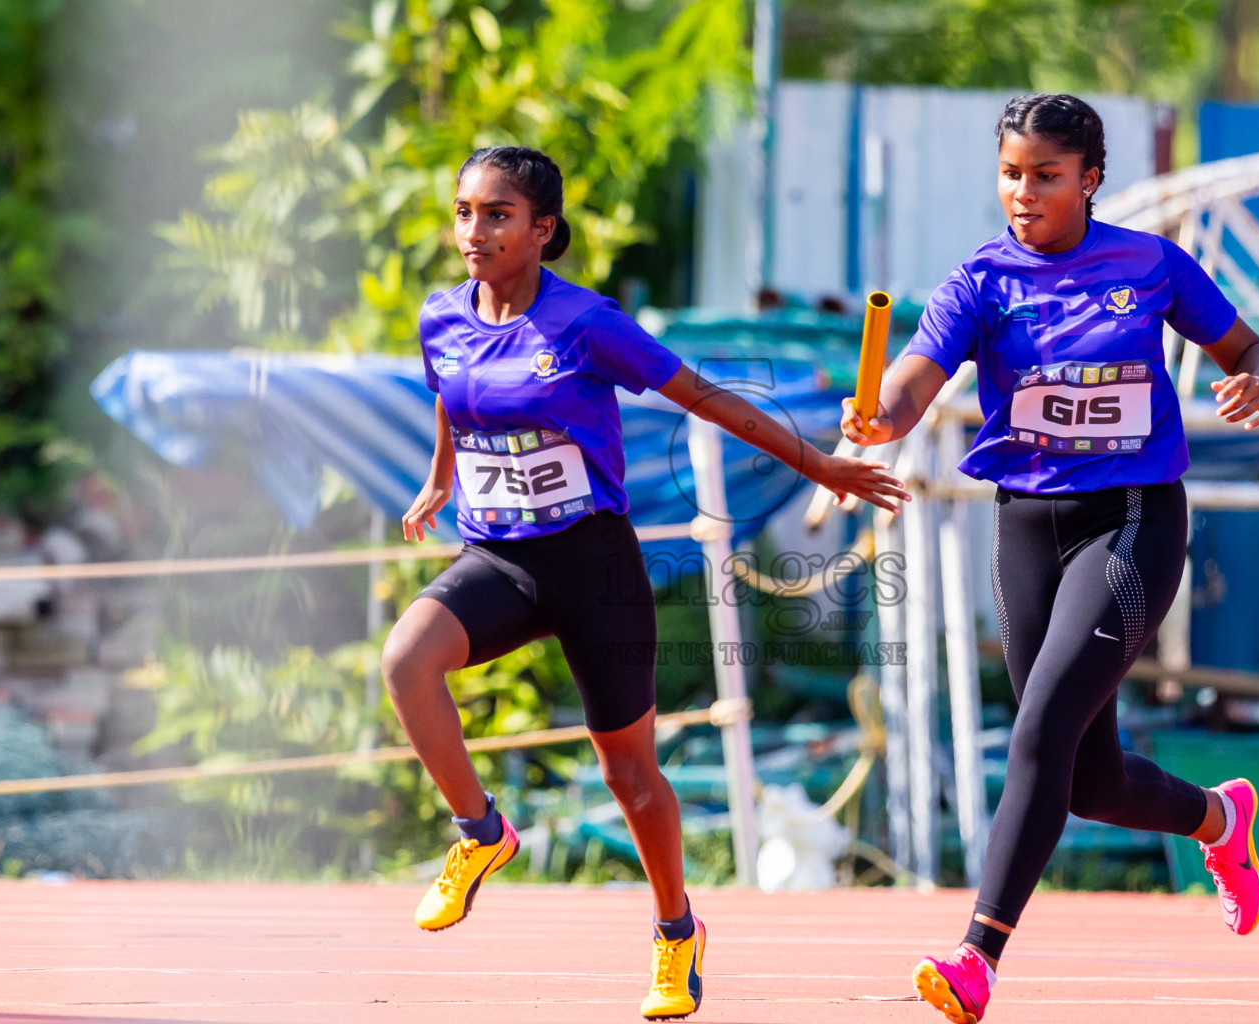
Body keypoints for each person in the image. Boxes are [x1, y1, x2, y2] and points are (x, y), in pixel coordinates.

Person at [383, 145, 908, 1021]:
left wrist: (823, 466)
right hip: (501, 558)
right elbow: (451, 389)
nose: (474, 231)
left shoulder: (588, 325)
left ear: (542, 231)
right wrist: (442, 477)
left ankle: (676, 934)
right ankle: (480, 832)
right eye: (465, 211)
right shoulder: (442, 316)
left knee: (630, 778)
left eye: (498, 215)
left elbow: (706, 398)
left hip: (592, 567)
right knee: (406, 661)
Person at [838, 94, 1259, 1024]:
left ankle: (976, 956)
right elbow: (917, 379)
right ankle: (1219, 818)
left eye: (1046, 175)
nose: (1025, 192)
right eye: (1011, 174)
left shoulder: (1150, 265)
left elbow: (1248, 344)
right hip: (1027, 525)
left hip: (1132, 520)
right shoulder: (981, 280)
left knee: (1040, 729)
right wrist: (882, 414)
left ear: (1089, 178)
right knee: (1088, 778)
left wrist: (1257, 373)